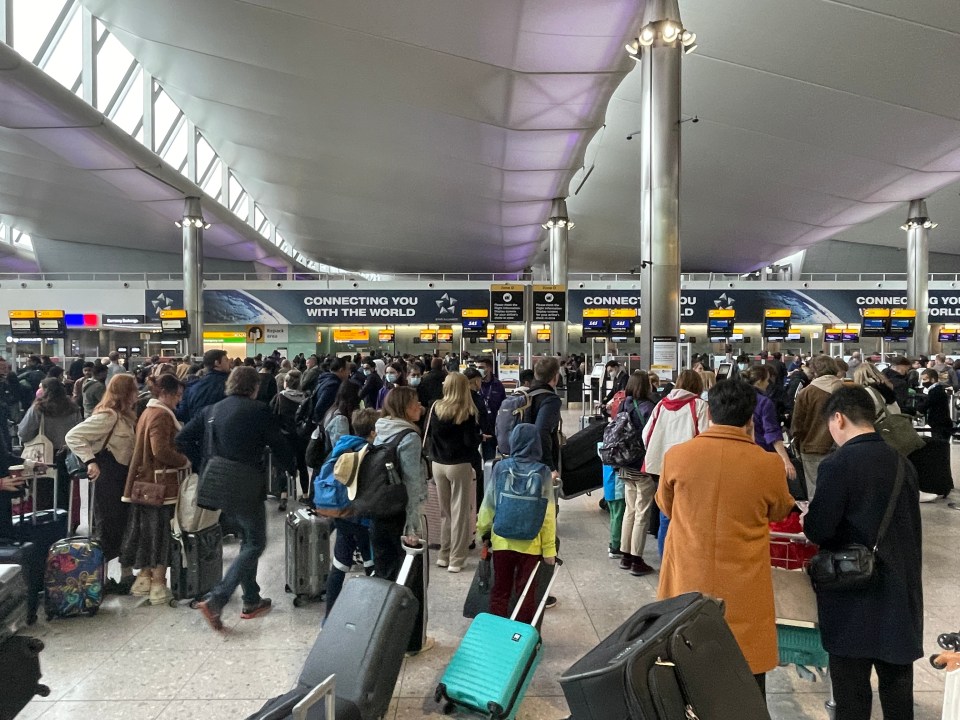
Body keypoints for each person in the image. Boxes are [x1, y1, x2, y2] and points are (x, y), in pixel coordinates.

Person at [657, 380, 794, 696]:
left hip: (686, 585)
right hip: (744, 591)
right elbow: (780, 510)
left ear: (708, 415)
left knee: (684, 671)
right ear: (750, 420)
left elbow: (666, 505)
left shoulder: (678, 457)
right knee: (744, 681)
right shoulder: (768, 464)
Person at [804, 386, 923, 720]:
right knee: (898, 692)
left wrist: (807, 518)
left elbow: (820, 529)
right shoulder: (902, 463)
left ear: (838, 418)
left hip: (853, 594)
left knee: (852, 694)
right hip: (900, 593)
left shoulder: (839, 464)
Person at [179, 367, 294, 631]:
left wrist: (206, 462)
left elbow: (182, 437)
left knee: (246, 539)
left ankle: (251, 598)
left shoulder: (212, 409)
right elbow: (278, 443)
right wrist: (290, 467)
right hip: (245, 483)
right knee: (255, 542)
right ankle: (217, 598)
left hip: (216, 484)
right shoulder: (259, 410)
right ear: (254, 387)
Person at [118, 373, 190, 605]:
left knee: (148, 533)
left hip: (146, 483)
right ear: (165, 394)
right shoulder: (161, 415)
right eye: (177, 396)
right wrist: (183, 461)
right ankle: (159, 583)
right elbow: (160, 450)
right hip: (162, 485)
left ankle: (144, 578)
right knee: (162, 535)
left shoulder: (147, 412)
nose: (179, 401)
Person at [475, 423, 557, 624]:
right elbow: (547, 515)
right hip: (531, 544)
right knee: (526, 592)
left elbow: (488, 504)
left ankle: (496, 633)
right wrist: (549, 549)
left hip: (502, 540)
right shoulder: (544, 472)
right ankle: (518, 638)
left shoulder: (501, 468)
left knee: (500, 589)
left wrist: (483, 533)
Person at [65, 374, 139, 589]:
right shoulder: (108, 416)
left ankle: (124, 575)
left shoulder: (124, 416)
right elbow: (73, 436)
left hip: (121, 476)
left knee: (123, 525)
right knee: (108, 526)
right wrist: (90, 461)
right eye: (133, 390)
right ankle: (100, 579)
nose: (136, 394)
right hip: (108, 476)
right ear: (125, 393)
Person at [641, 369, 709, 556]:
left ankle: (665, 562)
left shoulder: (662, 404)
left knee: (666, 514)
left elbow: (646, 434)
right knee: (688, 518)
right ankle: (684, 563)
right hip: (690, 468)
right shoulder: (700, 405)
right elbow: (706, 436)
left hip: (664, 466)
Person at [322, 408, 380, 619]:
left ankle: (328, 617)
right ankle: (372, 617)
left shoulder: (341, 447)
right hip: (363, 518)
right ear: (373, 431)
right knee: (371, 564)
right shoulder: (369, 452)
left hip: (342, 514)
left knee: (339, 565)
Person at [425, 372, 482, 573]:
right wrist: (480, 437)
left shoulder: (434, 407)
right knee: (460, 514)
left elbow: (430, 435)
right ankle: (456, 560)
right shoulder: (467, 411)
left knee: (445, 513)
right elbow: (469, 442)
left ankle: (443, 554)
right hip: (459, 465)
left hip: (438, 464)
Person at [371, 386, 428, 581]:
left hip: (380, 508)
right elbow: (412, 483)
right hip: (400, 514)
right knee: (408, 578)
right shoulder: (410, 437)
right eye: (415, 403)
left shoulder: (381, 429)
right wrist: (412, 526)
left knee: (384, 573)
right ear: (405, 407)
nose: (419, 406)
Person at [17, 378, 83, 532]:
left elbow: (24, 433)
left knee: (44, 493)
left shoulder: (39, 408)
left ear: (45, 390)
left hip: (43, 457)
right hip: (67, 455)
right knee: (65, 491)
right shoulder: (73, 408)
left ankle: (44, 525)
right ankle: (66, 523)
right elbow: (79, 431)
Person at [616, 371, 658, 576]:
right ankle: (636, 559)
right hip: (641, 466)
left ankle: (625, 555)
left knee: (629, 510)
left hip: (623, 464)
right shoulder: (648, 407)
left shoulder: (624, 404)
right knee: (642, 512)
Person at [790, 354, 843, 499]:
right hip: (842, 447)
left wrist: (796, 441)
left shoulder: (807, 393)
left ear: (814, 370)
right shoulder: (845, 389)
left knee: (815, 491)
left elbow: (797, 425)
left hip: (812, 447)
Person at [742, 366, 797, 484]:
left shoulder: (737, 399)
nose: (768, 384)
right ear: (759, 381)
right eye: (767, 380)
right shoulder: (764, 402)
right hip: (762, 450)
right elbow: (772, 433)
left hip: (740, 451)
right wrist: (786, 460)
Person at [269, 369, 308, 511]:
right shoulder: (305, 398)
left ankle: (283, 496)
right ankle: (305, 494)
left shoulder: (279, 397)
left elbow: (272, 415)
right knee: (302, 465)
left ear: (286, 382)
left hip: (284, 436)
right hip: (301, 436)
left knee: (282, 466)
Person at [175, 349, 231, 422]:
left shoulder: (191, 386)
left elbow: (183, 414)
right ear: (217, 363)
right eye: (226, 360)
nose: (229, 362)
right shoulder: (229, 386)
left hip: (196, 429)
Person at [476, 357, 506, 461]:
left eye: (481, 367)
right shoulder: (475, 385)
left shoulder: (498, 385)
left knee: (489, 457)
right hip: (476, 426)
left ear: (489, 368)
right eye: (477, 367)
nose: (478, 370)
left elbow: (503, 405)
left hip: (491, 427)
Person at [917, 368, 953, 442]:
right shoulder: (937, 390)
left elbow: (927, 403)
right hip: (940, 424)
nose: (923, 382)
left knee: (939, 447)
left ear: (932, 379)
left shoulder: (936, 391)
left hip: (940, 425)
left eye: (925, 379)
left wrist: (918, 410)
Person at [311, 357, 349, 422]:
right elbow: (319, 407)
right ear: (341, 370)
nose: (349, 373)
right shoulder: (333, 385)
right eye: (348, 370)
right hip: (325, 424)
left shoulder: (325, 379)